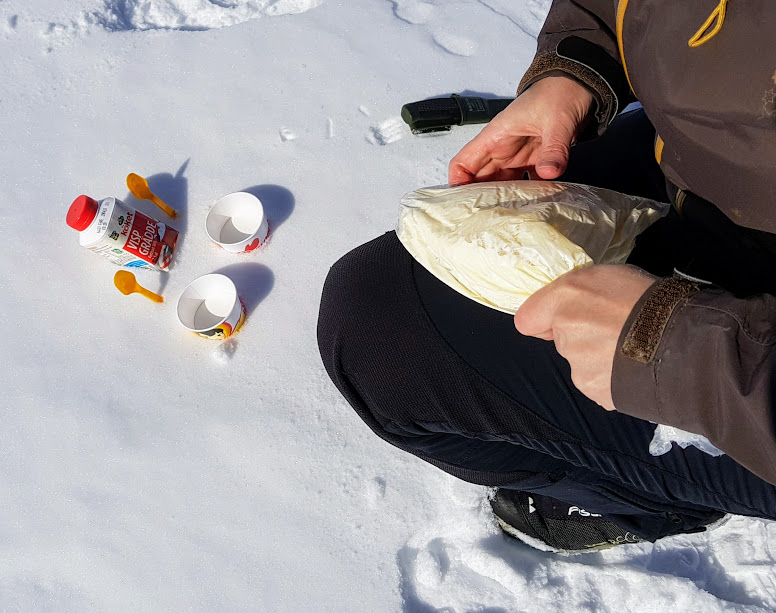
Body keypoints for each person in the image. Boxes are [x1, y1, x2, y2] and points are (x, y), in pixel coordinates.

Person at [317, 0, 776, 553]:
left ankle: (652, 501)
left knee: (378, 346)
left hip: (748, 383)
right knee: (381, 289)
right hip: (701, 170)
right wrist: (578, 66)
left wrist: (682, 353)